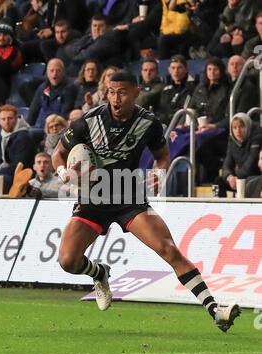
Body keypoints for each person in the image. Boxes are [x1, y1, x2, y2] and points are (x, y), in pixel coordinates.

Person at [52, 70, 241, 332]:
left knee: (168, 249)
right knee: (67, 261)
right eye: (111, 92)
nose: (115, 98)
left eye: (122, 92)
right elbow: (58, 154)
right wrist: (65, 173)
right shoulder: (89, 120)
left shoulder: (148, 123)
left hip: (130, 198)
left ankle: (215, 309)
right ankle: (99, 273)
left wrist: (159, 171)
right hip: (93, 198)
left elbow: (162, 155)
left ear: (136, 92)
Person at [214, 113, 262, 197]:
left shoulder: (257, 138)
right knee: (218, 181)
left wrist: (237, 177)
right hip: (238, 178)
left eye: (241, 127)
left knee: (248, 183)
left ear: (247, 127)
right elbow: (227, 163)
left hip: (253, 177)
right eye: (235, 128)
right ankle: (218, 206)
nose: (238, 131)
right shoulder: (232, 140)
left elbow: (251, 164)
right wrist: (229, 177)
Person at [0, 104, 36, 189]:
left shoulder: (23, 137)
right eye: (3, 119)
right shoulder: (1, 136)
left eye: (10, 118)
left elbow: (20, 165)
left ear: (16, 119)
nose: (7, 122)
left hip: (20, 176)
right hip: (5, 173)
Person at [157, 55, 196, 126]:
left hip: (180, 127)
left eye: (179, 68)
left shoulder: (192, 88)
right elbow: (162, 110)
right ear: (169, 70)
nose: (176, 71)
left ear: (186, 69)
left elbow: (185, 112)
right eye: (173, 68)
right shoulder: (165, 88)